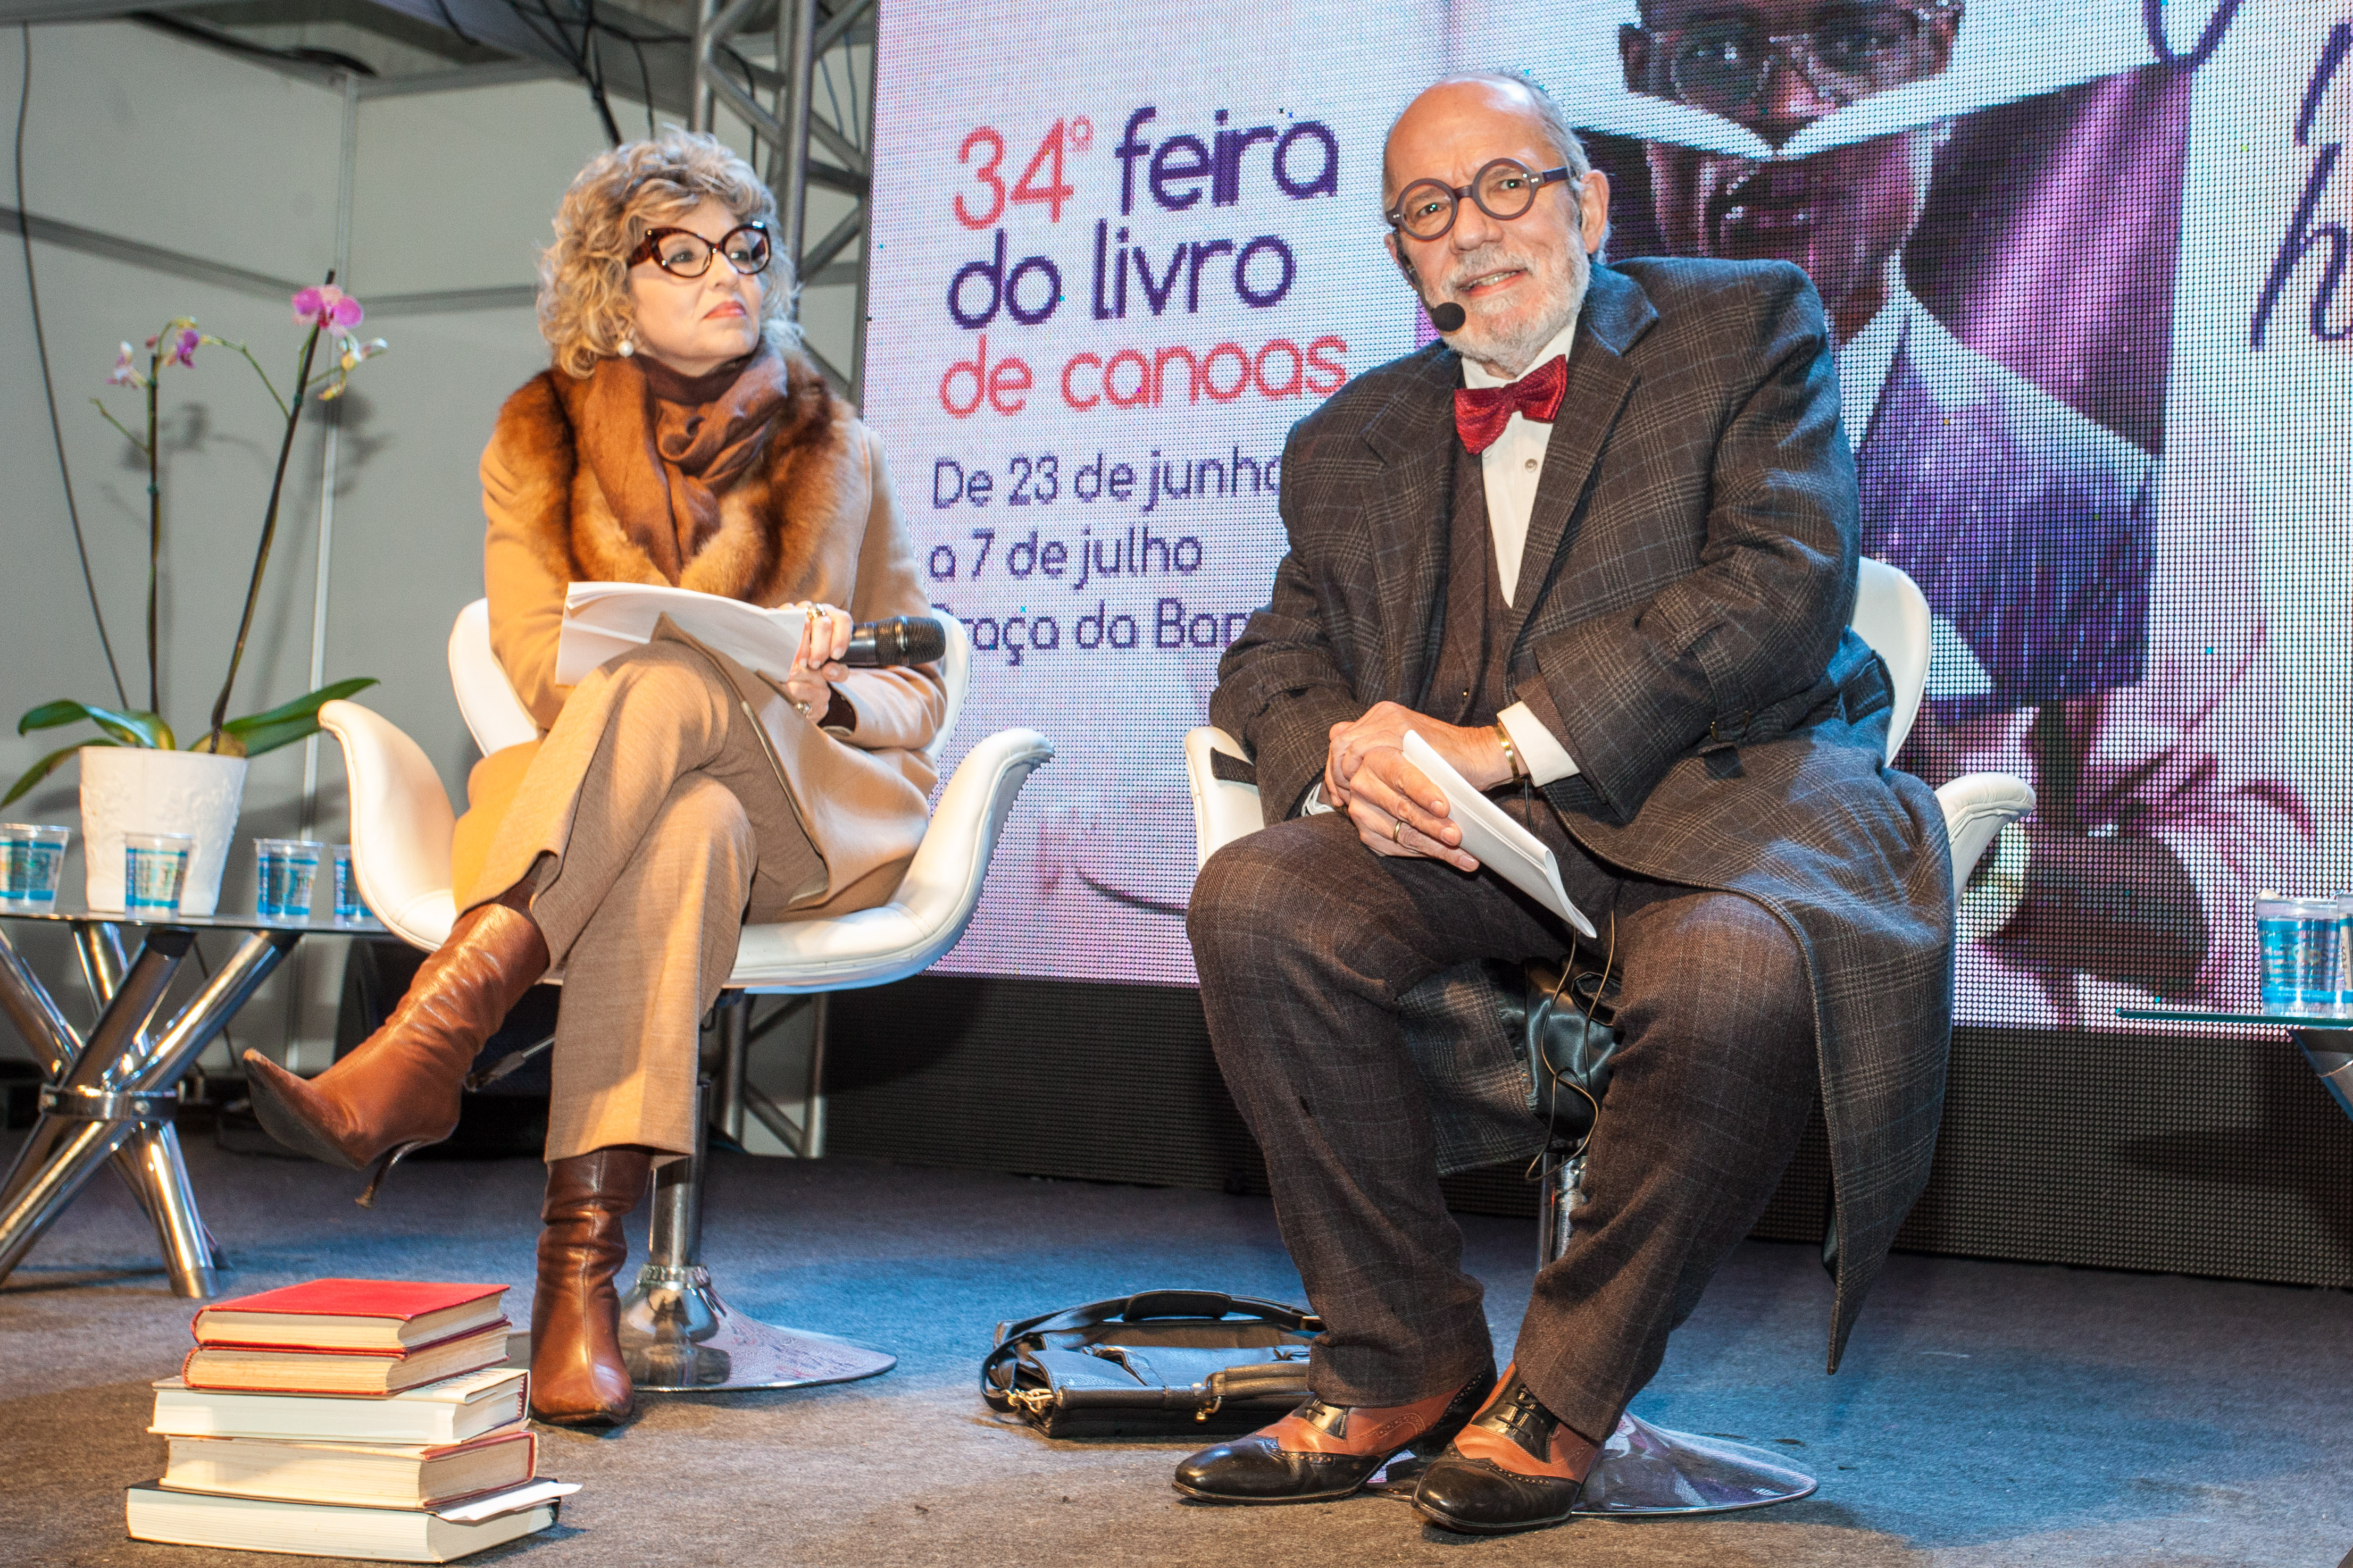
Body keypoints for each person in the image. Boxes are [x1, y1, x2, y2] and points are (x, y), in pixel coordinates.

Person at [1175, 72, 1953, 1535]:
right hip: (1473, 846)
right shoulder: (1346, 438)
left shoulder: (1744, 324)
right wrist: (1341, 750)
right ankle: (1399, 1357)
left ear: (1588, 205)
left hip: (1723, 798)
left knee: (1737, 968)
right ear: (1400, 256)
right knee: (1257, 896)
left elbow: (1779, 584)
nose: (1470, 230)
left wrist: (1504, 742)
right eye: (1428, 209)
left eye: (1504, 185)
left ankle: (1562, 1391)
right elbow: (1270, 660)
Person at [240, 130, 944, 1428]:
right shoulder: (539, 433)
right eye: (683, 252)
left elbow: (922, 679)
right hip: (624, 811)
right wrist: (680, 664)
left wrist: (825, 689)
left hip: (805, 817)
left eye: (746, 247)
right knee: (684, 817)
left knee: (680, 699)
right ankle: (580, 1287)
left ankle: (432, 1039)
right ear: (613, 285)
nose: (727, 274)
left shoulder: (842, 444)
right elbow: (530, 652)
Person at [1621, 0, 2304, 1020]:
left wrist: (1966, 852)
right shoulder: (1559, 463)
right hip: (1625, 1062)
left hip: (1980, 1091)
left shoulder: (2111, 494)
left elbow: (2258, 894)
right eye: (1717, 53)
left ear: (1941, 67)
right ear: (1638, 79)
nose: (1790, 109)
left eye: (1856, 45)